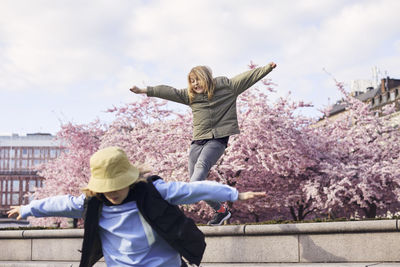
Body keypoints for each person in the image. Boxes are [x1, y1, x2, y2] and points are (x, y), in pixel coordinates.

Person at [7, 146, 265, 267]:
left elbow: (193, 190)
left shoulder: (153, 192)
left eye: (116, 186)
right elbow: (61, 204)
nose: (111, 193)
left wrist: (234, 194)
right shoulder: (94, 203)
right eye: (105, 188)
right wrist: (28, 209)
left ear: (130, 181)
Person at [130, 62, 276, 225]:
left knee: (199, 173)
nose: (195, 84)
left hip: (217, 140)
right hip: (197, 141)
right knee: (196, 182)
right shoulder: (190, 96)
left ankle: (175, 203)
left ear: (207, 78)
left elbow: (247, 78)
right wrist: (143, 90)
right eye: (192, 81)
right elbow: (168, 91)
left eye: (198, 80)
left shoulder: (227, 88)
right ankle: (221, 211)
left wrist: (267, 68)